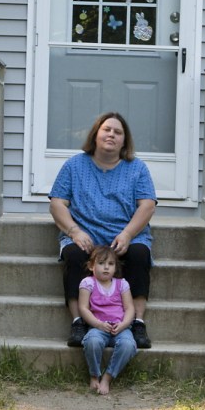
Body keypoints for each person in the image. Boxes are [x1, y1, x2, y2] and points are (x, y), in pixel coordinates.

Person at [49, 111, 157, 349]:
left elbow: (147, 205)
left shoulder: (137, 168)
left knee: (139, 254)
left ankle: (138, 323)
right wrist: (74, 232)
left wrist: (128, 234)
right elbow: (57, 203)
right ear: (95, 135)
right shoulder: (74, 165)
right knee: (74, 255)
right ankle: (78, 322)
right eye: (106, 129)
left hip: (124, 235)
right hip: (85, 235)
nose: (111, 135)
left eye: (118, 132)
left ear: (124, 141)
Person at [79, 245, 138, 395]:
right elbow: (83, 308)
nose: (106, 268)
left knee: (128, 345)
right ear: (92, 266)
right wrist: (98, 324)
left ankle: (107, 377)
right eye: (101, 263)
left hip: (120, 327)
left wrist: (124, 324)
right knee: (92, 342)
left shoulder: (122, 284)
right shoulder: (88, 283)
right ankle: (94, 375)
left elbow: (130, 308)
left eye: (110, 264)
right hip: (98, 327)